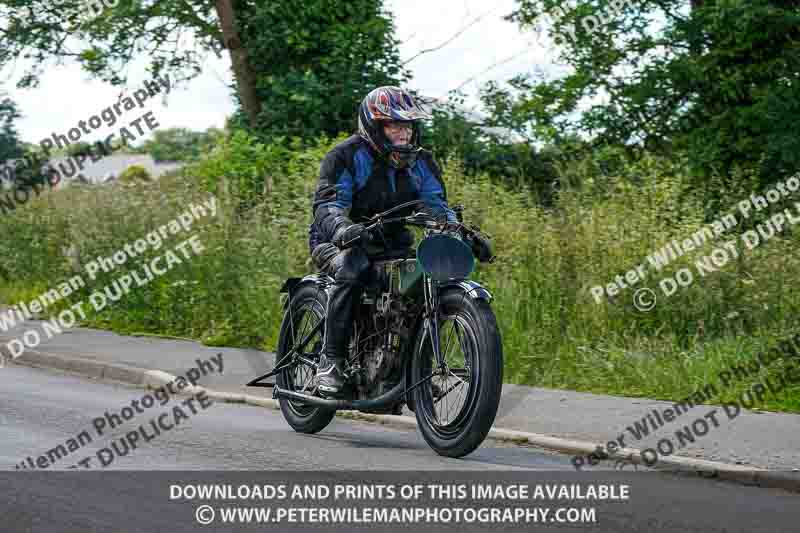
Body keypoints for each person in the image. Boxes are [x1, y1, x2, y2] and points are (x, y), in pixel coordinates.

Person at [307, 86, 459, 397]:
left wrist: (453, 230)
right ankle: (331, 361)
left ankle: (410, 369)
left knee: (421, 279)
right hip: (339, 242)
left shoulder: (421, 162)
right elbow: (329, 205)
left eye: (407, 125)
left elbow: (435, 203)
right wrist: (343, 229)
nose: (404, 133)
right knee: (354, 267)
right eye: (394, 125)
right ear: (374, 127)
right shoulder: (345, 156)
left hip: (393, 245)